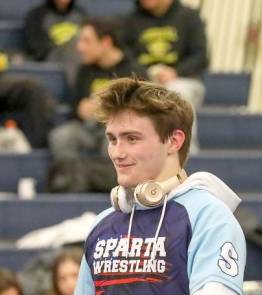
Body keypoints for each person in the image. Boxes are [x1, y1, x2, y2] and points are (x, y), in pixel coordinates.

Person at [31, 77, 246, 295]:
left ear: (174, 141)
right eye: (113, 139)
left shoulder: (208, 216)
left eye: (132, 138)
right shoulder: (104, 225)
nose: (117, 152)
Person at [47, 17, 145, 193]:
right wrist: (80, 108)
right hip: (87, 128)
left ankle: (108, 186)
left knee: (114, 142)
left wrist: (107, 110)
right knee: (61, 136)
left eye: (86, 41)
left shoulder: (133, 71)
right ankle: (73, 183)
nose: (79, 48)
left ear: (106, 43)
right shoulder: (85, 70)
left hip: (117, 130)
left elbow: (143, 112)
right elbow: (73, 106)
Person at [121, 0, 208, 149]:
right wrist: (147, 74)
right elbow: (125, 55)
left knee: (177, 93)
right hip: (144, 80)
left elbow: (200, 57)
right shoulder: (130, 21)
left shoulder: (189, 16)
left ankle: (186, 151)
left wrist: (176, 72)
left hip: (184, 81)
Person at [22, 0, 86, 82]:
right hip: (50, 57)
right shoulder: (36, 15)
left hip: (79, 55)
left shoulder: (80, 13)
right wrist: (63, 48)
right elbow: (36, 48)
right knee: (73, 46)